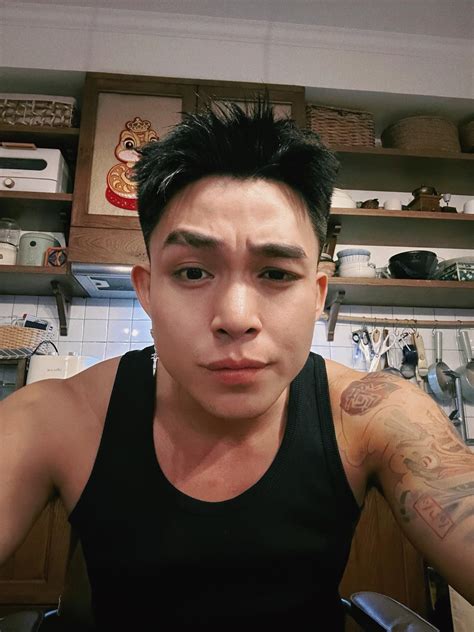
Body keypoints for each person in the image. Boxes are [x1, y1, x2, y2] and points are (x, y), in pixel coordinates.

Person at [1, 100, 473, 631]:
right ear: (147, 291)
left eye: (276, 274)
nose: (236, 318)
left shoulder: (371, 413)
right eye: (193, 272)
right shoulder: (58, 417)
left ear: (317, 296)